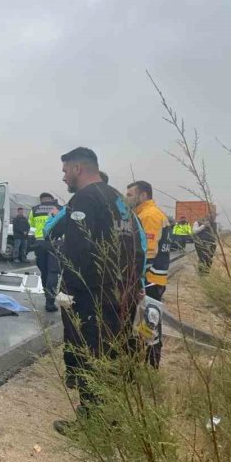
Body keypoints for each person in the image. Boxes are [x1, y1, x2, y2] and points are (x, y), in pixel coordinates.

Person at [49, 147, 145, 435]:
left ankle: (92, 425)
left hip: (93, 296)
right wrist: (134, 285)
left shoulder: (84, 199)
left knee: (90, 356)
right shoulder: (118, 198)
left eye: (66, 170)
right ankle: (111, 417)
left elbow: (78, 250)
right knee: (112, 355)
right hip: (120, 294)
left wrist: (69, 290)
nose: (63, 176)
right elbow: (136, 246)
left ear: (78, 168)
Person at [126, 180, 170, 368]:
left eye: (129, 194)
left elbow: (148, 252)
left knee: (149, 326)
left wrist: (137, 279)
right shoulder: (143, 213)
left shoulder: (149, 215)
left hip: (150, 280)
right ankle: (144, 363)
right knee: (144, 325)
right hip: (151, 279)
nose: (126, 198)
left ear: (142, 195)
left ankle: (151, 366)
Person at [29, 193, 62, 312]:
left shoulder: (34, 210)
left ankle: (47, 296)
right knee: (53, 271)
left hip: (39, 243)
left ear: (41, 200)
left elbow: (32, 226)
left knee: (44, 271)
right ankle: (50, 302)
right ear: (52, 199)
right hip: (54, 242)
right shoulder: (59, 208)